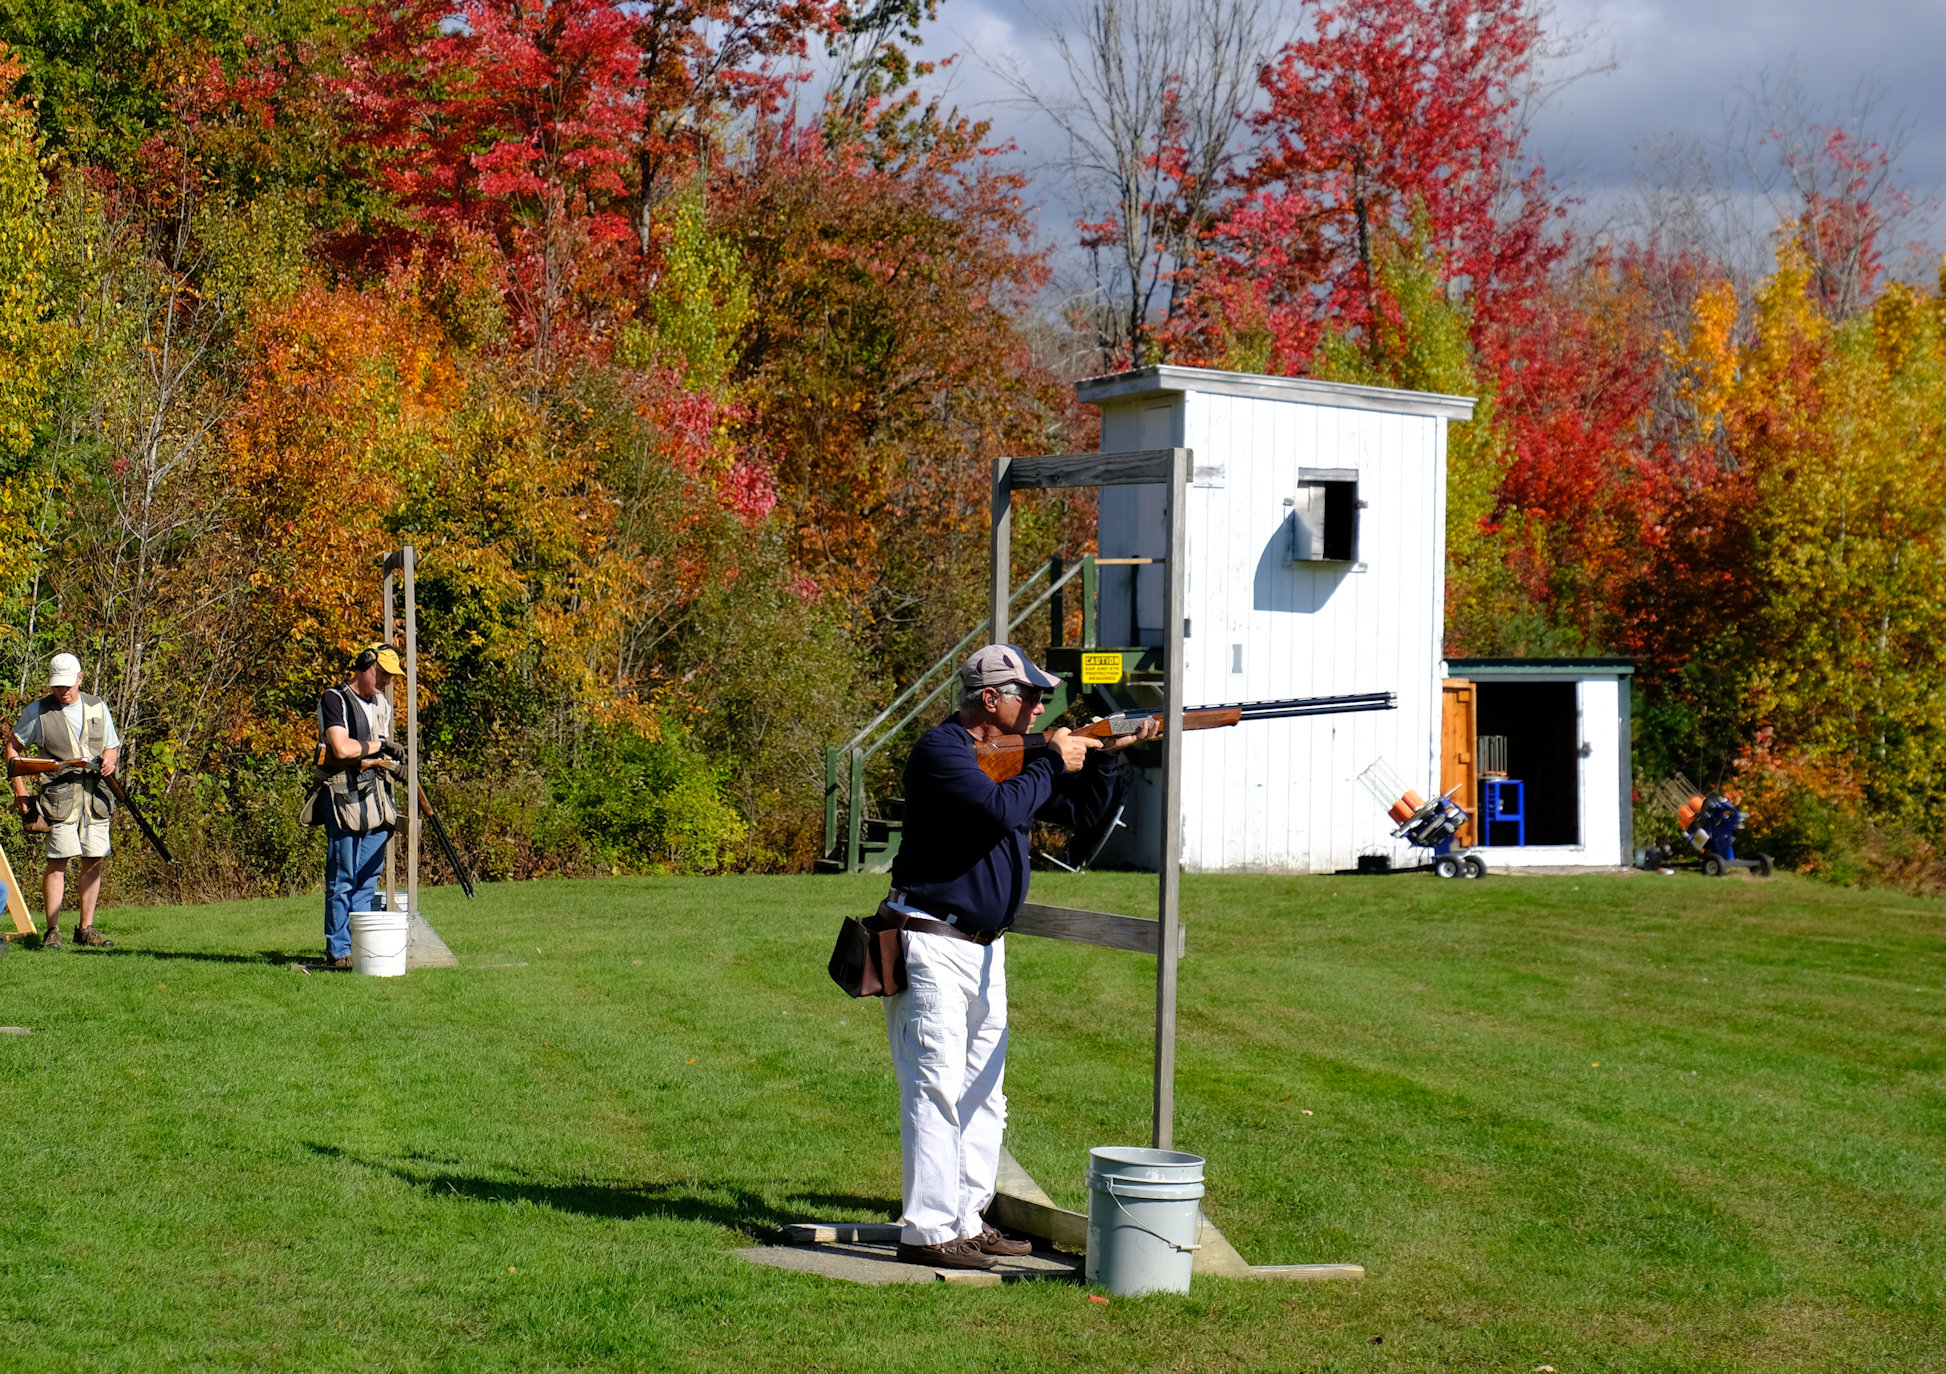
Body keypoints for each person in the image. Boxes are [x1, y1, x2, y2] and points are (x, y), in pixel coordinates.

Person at [882, 643, 1158, 1270]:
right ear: (991, 700)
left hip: (984, 949)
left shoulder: (1018, 758)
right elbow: (998, 808)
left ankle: (968, 1218)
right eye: (1029, 695)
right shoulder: (943, 752)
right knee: (937, 1088)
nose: (1040, 706)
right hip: (934, 943)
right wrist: (1054, 760)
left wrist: (1105, 760)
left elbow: (1083, 820)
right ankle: (927, 1230)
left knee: (985, 1092)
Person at [7, 654, 123, 950]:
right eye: (58, 685)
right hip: (59, 799)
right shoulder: (37, 712)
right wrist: (20, 789)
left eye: (68, 684)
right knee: (57, 861)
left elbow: (112, 745)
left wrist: (109, 762)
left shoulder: (97, 706)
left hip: (96, 798)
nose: (64, 690)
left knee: (94, 859)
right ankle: (52, 930)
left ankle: (86, 928)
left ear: (80, 679)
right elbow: (12, 749)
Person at [312, 643, 404, 970]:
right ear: (365, 666)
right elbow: (341, 746)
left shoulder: (380, 703)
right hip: (343, 797)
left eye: (391, 677)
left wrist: (394, 762)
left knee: (367, 877)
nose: (386, 682)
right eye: (381, 674)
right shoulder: (334, 699)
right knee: (343, 877)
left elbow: (376, 753)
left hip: (376, 796)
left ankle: (362, 946)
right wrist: (379, 745)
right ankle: (339, 950)